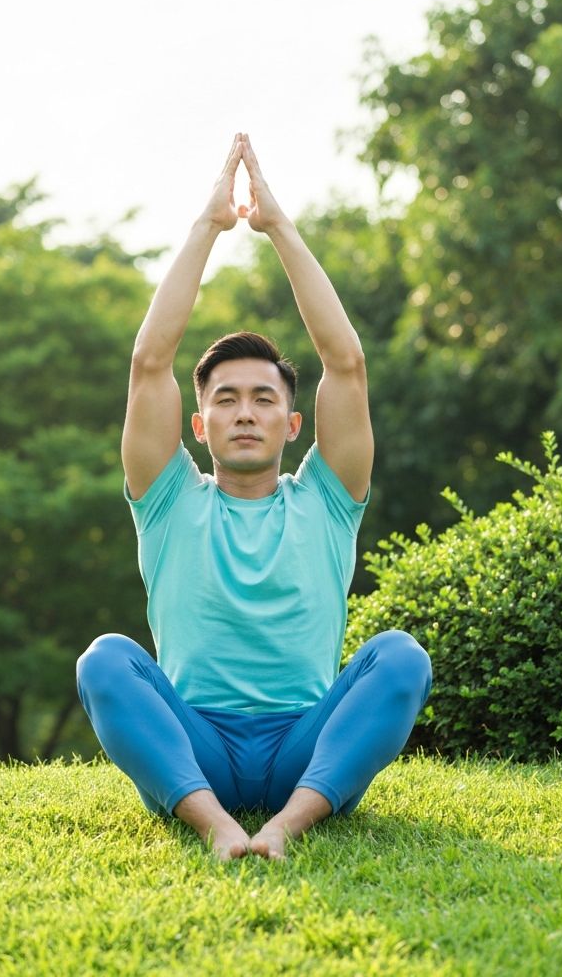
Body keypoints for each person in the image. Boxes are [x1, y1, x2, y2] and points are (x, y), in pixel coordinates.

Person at [76, 133, 431, 861]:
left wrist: (278, 228)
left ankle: (286, 825)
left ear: (292, 423)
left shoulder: (328, 500)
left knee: (400, 658)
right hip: (194, 746)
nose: (245, 411)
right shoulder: (168, 499)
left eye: (264, 398)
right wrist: (209, 224)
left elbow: (347, 363)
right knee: (104, 660)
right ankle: (216, 826)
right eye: (227, 399)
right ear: (198, 423)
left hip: (305, 746)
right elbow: (150, 363)